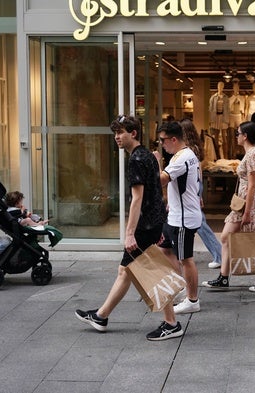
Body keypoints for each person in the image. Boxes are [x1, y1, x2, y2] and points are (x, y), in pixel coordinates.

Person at [75, 115, 173, 341]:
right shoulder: (147, 155)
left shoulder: (137, 159)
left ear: (134, 133)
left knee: (153, 274)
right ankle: (101, 316)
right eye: (115, 133)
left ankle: (171, 322)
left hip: (144, 226)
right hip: (152, 223)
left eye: (120, 133)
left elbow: (137, 198)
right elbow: (157, 188)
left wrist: (130, 233)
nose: (117, 137)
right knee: (127, 271)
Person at [202, 121, 255, 292]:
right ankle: (224, 277)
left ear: (245, 136)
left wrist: (247, 213)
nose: (236, 136)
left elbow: (252, 185)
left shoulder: (253, 155)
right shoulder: (251, 153)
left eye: (238, 133)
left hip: (252, 204)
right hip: (243, 203)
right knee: (226, 236)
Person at [153, 121, 202, 316]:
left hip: (183, 219)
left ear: (174, 139)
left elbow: (160, 181)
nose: (162, 144)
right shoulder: (186, 155)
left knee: (186, 259)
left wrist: (156, 162)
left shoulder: (181, 159)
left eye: (163, 140)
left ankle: (192, 299)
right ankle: (182, 286)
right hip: (175, 215)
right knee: (164, 249)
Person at [180, 118, 222, 269]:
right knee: (189, 222)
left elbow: (197, 172)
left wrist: (197, 195)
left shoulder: (190, 148)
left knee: (200, 224)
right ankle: (180, 254)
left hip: (192, 187)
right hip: (195, 187)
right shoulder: (194, 146)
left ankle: (220, 255)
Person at [208, 81, 230, 159]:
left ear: (223, 87)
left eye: (222, 86)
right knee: (216, 138)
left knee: (224, 138)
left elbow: (228, 109)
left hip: (223, 117)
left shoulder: (226, 97)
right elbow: (210, 109)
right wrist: (210, 120)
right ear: (217, 86)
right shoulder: (213, 97)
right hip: (215, 117)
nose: (220, 87)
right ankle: (217, 156)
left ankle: (226, 156)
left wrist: (228, 120)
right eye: (219, 85)